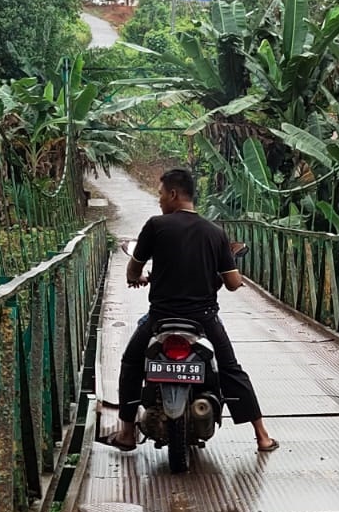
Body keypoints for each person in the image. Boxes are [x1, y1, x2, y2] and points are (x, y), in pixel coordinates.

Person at [108, 168, 278, 453]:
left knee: (131, 364)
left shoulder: (155, 225)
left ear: (174, 194)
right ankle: (262, 436)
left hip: (160, 318)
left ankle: (126, 433)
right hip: (203, 319)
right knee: (231, 370)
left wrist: (136, 278)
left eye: (161, 194)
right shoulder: (215, 233)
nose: (160, 200)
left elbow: (133, 268)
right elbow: (233, 283)